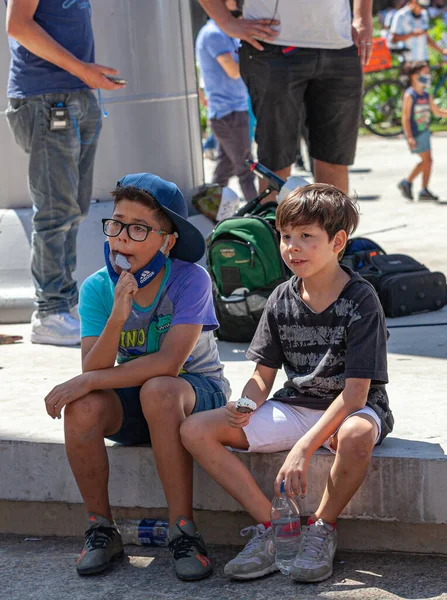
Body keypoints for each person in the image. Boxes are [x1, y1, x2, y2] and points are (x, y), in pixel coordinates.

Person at [181, 183, 394, 583]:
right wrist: (245, 404)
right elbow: (263, 375)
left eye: (306, 237)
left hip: (352, 408)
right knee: (195, 429)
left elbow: (356, 394)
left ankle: (322, 529)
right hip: (295, 404)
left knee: (355, 436)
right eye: (285, 236)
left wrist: (303, 447)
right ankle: (278, 531)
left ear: (338, 241)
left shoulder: (362, 300)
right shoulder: (280, 297)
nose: (292, 247)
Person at [44, 173, 231, 580]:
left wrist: (90, 379)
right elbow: (93, 371)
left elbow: (168, 364)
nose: (121, 237)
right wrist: (117, 316)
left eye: (138, 228)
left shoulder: (190, 279)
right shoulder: (97, 288)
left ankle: (183, 531)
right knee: (83, 404)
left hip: (195, 395)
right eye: (115, 224)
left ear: (168, 241)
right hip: (135, 401)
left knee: (159, 390)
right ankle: (100, 528)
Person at [5, 0, 126, 346]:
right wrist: (81, 70)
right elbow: (18, 25)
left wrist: (86, 77)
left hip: (76, 94)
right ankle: (50, 311)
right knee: (56, 211)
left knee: (73, 209)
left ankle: (63, 306)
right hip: (47, 98)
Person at [198, 0, 373, 197]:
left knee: (334, 160)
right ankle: (273, 227)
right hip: (274, 45)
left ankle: (333, 228)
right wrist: (226, 21)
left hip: (339, 44)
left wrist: (363, 18)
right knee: (275, 164)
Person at [195, 0, 257, 202]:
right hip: (228, 112)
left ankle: (208, 209)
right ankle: (264, 217)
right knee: (246, 169)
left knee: (225, 167)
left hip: (230, 111)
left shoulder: (221, 31)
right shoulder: (215, 33)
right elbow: (232, 70)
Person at [398, 61, 447, 201]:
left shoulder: (426, 94)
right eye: (424, 73)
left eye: (428, 73)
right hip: (415, 133)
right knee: (427, 160)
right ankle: (408, 183)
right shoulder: (410, 95)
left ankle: (420, 188)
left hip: (425, 132)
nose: (427, 76)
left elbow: (437, 111)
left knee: (428, 161)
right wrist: (410, 137)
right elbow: (406, 118)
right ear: (414, 76)